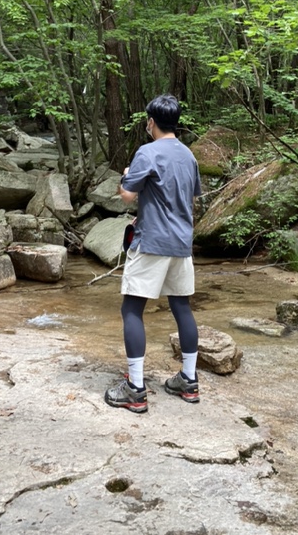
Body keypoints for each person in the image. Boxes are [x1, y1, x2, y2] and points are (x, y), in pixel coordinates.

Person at [104, 94, 202, 414]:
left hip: (152, 243)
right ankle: (188, 380)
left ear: (151, 122)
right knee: (181, 307)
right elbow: (186, 199)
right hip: (182, 243)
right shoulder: (189, 156)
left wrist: (127, 173)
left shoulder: (147, 152)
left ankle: (135, 388)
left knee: (132, 309)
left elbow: (127, 195)